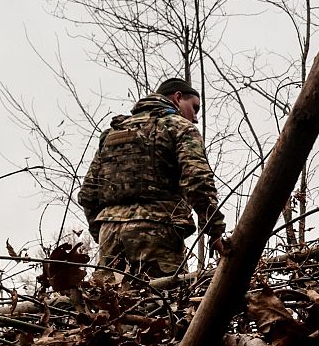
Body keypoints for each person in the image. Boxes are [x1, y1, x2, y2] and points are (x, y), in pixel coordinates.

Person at [78, 77, 228, 278]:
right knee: (162, 302)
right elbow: (197, 180)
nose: (195, 118)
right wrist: (214, 229)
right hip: (158, 233)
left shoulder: (113, 132)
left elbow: (88, 193)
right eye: (195, 108)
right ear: (177, 97)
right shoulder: (179, 127)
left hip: (110, 234)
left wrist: (103, 230)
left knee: (113, 304)